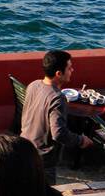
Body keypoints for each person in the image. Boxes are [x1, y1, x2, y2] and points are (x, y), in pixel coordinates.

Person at [20, 49, 92, 186]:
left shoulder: (33, 85)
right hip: (43, 159)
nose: (72, 70)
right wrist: (81, 140)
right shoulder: (58, 98)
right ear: (58, 73)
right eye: (69, 68)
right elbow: (59, 134)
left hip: (25, 148)